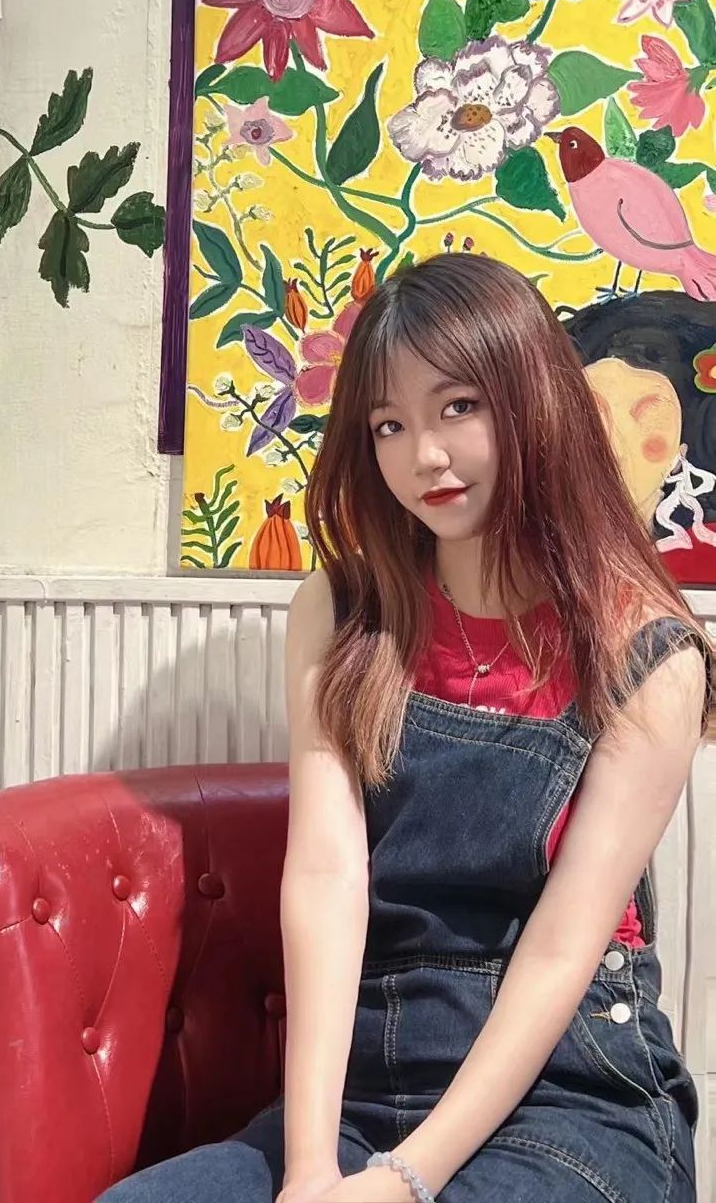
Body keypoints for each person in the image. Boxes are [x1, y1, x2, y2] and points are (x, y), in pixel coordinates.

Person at [97, 253, 713, 1202]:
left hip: (573, 1089)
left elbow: (561, 947)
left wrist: (404, 1181)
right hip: (367, 1077)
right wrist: (309, 1166)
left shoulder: (646, 653)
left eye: (458, 406)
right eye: (389, 424)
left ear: (536, 402)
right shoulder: (340, 611)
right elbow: (326, 879)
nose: (423, 455)